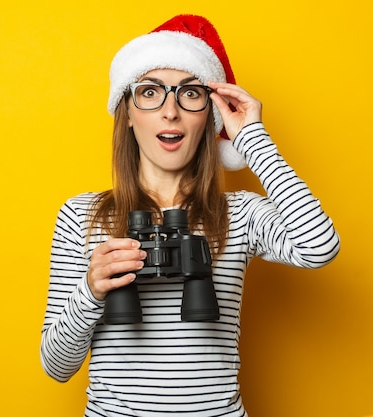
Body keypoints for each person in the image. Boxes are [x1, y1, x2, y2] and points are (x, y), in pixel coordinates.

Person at [40, 14, 340, 417]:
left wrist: (252, 137)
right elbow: (56, 366)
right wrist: (92, 291)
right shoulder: (82, 216)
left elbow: (319, 246)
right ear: (127, 113)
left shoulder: (241, 213)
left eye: (190, 94)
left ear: (209, 116)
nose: (170, 112)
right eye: (150, 93)